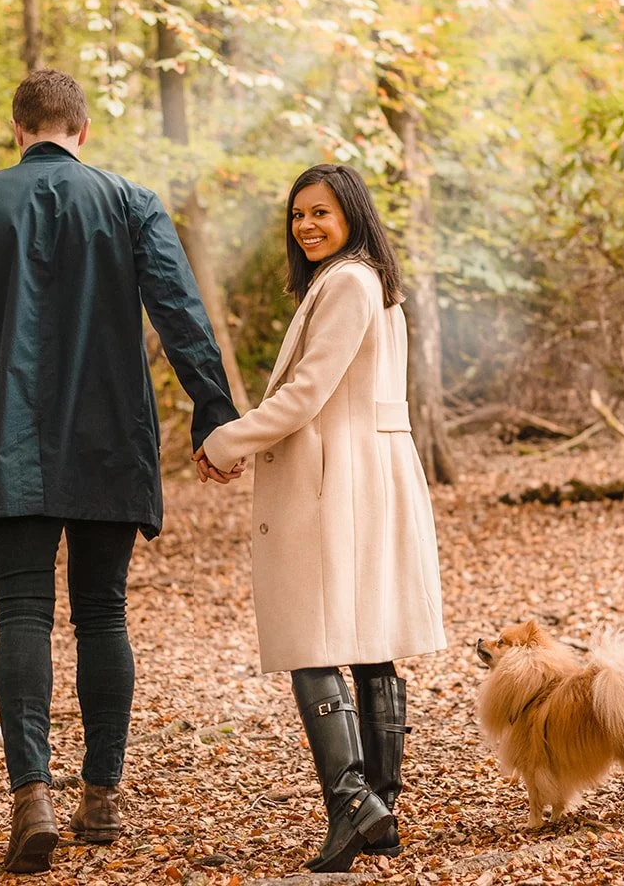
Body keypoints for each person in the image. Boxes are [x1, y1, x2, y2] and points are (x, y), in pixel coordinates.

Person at [0, 69, 242, 874]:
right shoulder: (130, 203)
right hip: (108, 440)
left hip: (8, 441)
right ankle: (103, 797)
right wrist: (213, 412)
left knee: (23, 615)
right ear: (81, 132)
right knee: (102, 612)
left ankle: (32, 798)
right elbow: (181, 313)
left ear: (17, 130)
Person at [195, 163, 447, 873]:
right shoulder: (371, 282)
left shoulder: (344, 283)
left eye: (320, 213)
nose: (306, 225)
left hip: (337, 479)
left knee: (310, 638)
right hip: (368, 471)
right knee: (369, 639)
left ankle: (353, 803)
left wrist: (225, 440)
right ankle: (382, 811)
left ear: (352, 216)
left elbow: (307, 393)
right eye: (297, 214)